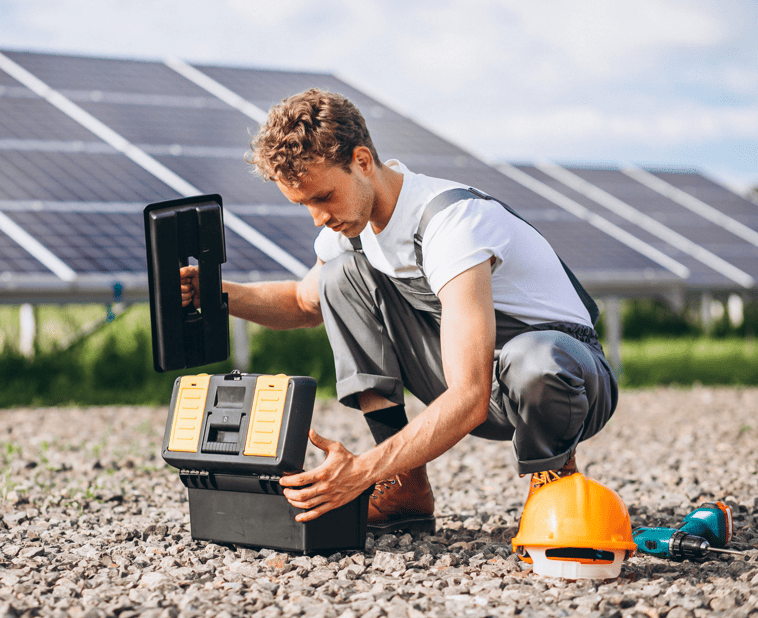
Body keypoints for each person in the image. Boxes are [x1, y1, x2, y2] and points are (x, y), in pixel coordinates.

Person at [180, 88, 618, 535]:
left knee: (534, 359)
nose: (318, 218)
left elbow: (468, 397)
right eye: (304, 204)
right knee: (339, 276)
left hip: (568, 380)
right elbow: (301, 302)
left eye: (324, 196)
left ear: (363, 161)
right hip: (479, 379)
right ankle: (406, 487)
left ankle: (554, 485)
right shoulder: (352, 228)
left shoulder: (452, 223)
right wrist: (213, 293)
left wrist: (360, 472)